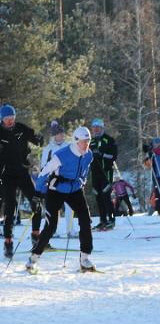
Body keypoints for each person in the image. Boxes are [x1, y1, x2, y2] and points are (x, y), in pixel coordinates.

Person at [26, 127, 96, 273]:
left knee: (85, 220)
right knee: (51, 227)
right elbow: (44, 172)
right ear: (76, 141)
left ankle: (85, 258)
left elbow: (85, 171)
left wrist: (82, 181)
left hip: (75, 190)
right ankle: (33, 258)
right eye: (83, 142)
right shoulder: (62, 155)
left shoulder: (88, 155)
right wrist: (38, 193)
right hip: (56, 190)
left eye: (88, 141)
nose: (86, 145)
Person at [0, 103, 44, 258]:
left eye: (12, 118)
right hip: (6, 176)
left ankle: (36, 235)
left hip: (22, 172)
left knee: (36, 201)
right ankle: (8, 242)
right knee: (10, 208)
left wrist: (39, 139)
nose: (10, 121)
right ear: (2, 119)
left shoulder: (21, 128)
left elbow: (35, 137)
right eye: (7, 119)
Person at [41, 121, 77, 239]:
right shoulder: (48, 149)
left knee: (69, 205)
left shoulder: (68, 145)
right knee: (53, 207)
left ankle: (70, 230)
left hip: (67, 178)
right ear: (54, 135)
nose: (61, 135)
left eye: (62, 133)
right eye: (59, 133)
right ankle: (53, 231)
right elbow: (43, 165)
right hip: (53, 180)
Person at [89, 118, 118, 230]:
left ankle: (111, 220)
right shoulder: (91, 141)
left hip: (106, 172)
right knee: (98, 196)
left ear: (102, 128)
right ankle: (102, 220)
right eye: (94, 128)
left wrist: (101, 154)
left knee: (106, 195)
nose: (96, 130)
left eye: (98, 128)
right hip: (95, 173)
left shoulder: (109, 139)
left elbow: (113, 156)